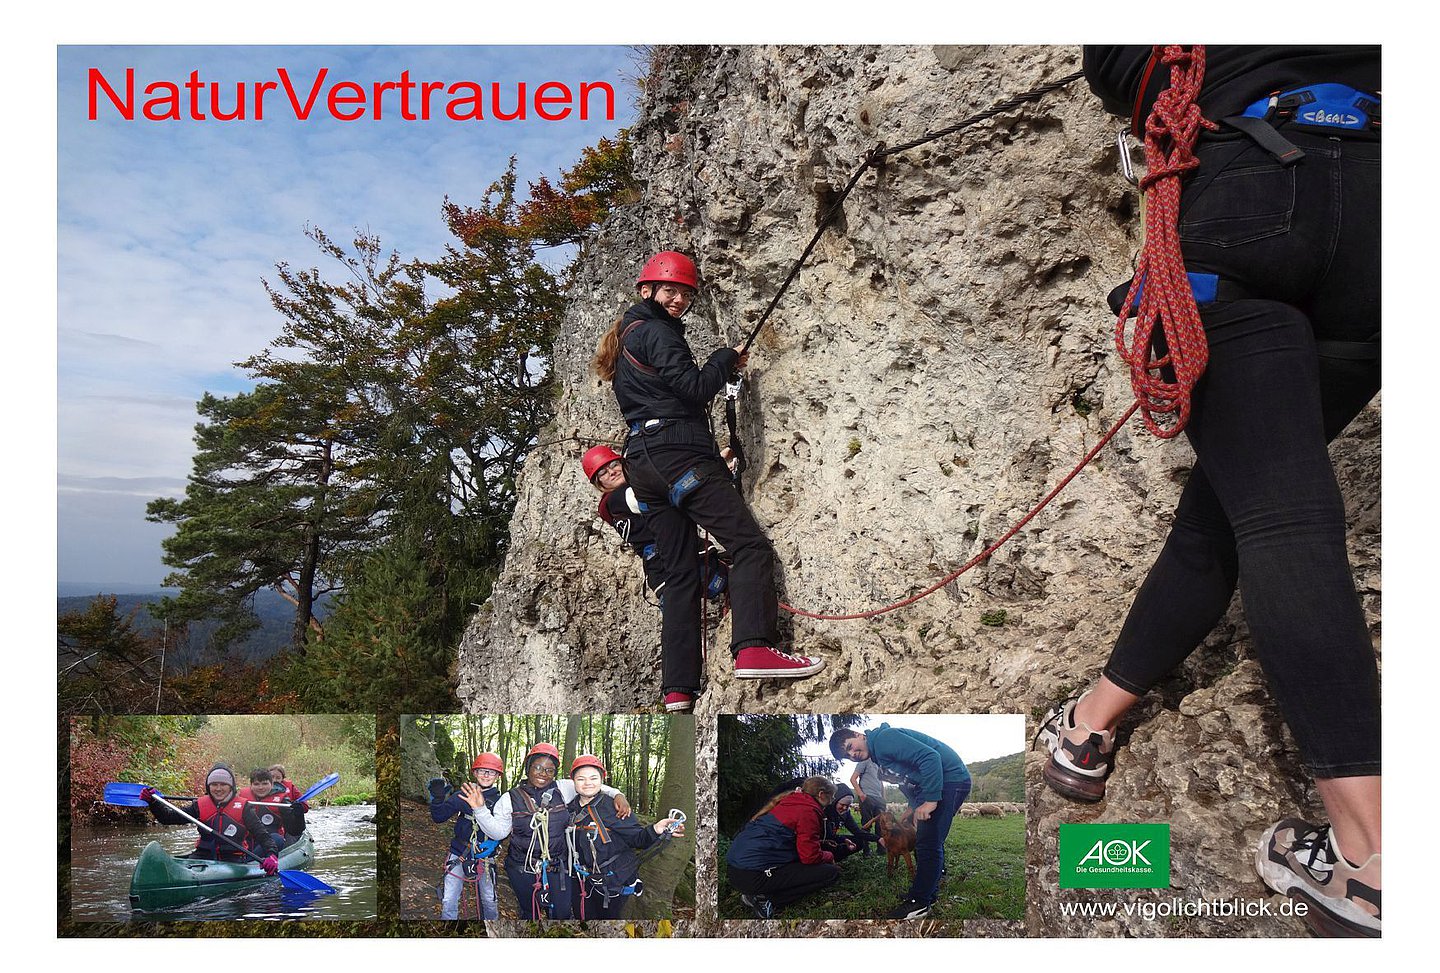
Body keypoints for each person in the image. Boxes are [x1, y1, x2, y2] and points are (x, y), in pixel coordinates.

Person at [1036, 45, 1380, 939]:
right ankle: (1090, 723)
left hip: (1250, 195)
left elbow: (1119, 65)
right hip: (1384, 215)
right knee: (1239, 502)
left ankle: (1374, 860)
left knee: (1281, 519)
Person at [591, 250, 825, 711]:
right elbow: (695, 389)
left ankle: (678, 689)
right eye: (669, 289)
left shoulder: (627, 340)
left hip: (643, 464)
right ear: (647, 291)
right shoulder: (658, 333)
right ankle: (754, 647)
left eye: (685, 292)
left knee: (680, 577)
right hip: (680, 454)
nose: (678, 298)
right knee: (747, 546)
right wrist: (722, 359)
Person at [582, 444, 731, 713]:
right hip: (676, 562)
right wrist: (710, 468)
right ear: (598, 483)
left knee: (680, 623)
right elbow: (666, 490)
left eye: (613, 464)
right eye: (602, 472)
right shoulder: (618, 499)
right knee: (729, 579)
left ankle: (678, 692)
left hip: (664, 571)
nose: (611, 471)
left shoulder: (610, 507)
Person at [471, 743, 631, 919]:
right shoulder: (510, 798)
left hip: (557, 867)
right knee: (530, 912)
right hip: (522, 867)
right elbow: (499, 833)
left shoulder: (563, 788)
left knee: (561, 913)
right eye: (538, 767)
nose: (543, 773)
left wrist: (617, 795)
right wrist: (480, 810)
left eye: (549, 770)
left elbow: (590, 785)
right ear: (528, 768)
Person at [830, 724, 970, 919]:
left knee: (928, 842)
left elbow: (930, 758)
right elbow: (909, 781)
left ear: (858, 735)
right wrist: (914, 806)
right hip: (940, 783)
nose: (853, 754)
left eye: (850, 747)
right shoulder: (878, 755)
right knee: (926, 838)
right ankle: (928, 890)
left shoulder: (884, 739)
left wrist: (930, 800)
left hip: (950, 779)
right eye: (848, 756)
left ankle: (920, 902)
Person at [567, 755, 686, 919]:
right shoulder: (569, 808)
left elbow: (637, 838)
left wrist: (656, 829)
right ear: (572, 780)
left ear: (603, 779)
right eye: (581, 778)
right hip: (583, 881)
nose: (587, 783)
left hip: (613, 882)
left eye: (593, 778)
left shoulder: (614, 807)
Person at [724, 775, 839, 919]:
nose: (832, 801)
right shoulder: (809, 810)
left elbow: (786, 839)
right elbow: (809, 857)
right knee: (830, 873)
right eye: (832, 797)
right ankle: (766, 898)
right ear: (822, 794)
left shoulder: (789, 801)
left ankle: (757, 892)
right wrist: (829, 856)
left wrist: (821, 844)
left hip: (735, 869)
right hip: (752, 875)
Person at [140, 763, 279, 874]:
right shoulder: (199, 805)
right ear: (209, 786)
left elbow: (263, 836)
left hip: (233, 859)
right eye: (214, 784)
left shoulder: (244, 807)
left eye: (223, 784)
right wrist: (153, 803)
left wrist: (272, 855)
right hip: (202, 856)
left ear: (231, 787)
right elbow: (168, 818)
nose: (218, 789)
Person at [429, 752, 503, 920]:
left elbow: (506, 827)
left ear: (497, 775)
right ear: (475, 773)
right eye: (482, 770)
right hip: (460, 852)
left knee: (489, 901)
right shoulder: (462, 795)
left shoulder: (501, 802)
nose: (485, 775)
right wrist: (438, 800)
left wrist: (496, 841)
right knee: (449, 900)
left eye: (491, 772)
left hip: (485, 857)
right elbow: (439, 817)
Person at [240, 767, 306, 848]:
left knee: (276, 839)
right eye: (256, 784)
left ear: (271, 784)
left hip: (271, 844)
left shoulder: (282, 801)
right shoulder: (242, 799)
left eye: (265, 784)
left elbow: (294, 831)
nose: (261, 788)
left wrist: (299, 816)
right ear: (251, 785)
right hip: (247, 844)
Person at [820, 783, 876, 862]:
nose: (844, 808)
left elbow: (857, 831)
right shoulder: (825, 812)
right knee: (831, 844)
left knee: (859, 841)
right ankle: (826, 862)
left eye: (848, 805)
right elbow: (829, 836)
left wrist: (878, 839)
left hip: (833, 839)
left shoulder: (845, 814)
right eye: (842, 804)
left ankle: (835, 859)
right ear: (835, 801)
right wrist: (844, 839)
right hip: (821, 842)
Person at [849, 754, 887, 856]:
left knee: (881, 824)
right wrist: (861, 794)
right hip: (867, 797)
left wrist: (883, 797)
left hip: (879, 798)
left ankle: (881, 848)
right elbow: (853, 779)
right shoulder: (864, 761)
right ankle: (866, 850)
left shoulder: (879, 764)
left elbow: (881, 782)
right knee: (867, 823)